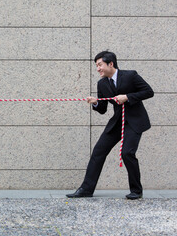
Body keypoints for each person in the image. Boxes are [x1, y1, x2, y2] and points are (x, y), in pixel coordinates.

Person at [66, 51, 154, 200]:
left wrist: (127, 97)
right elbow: (102, 109)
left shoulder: (130, 76)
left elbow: (148, 92)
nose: (98, 68)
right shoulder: (102, 83)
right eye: (97, 66)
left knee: (127, 153)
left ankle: (136, 190)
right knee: (98, 151)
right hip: (117, 122)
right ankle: (86, 189)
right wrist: (95, 103)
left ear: (110, 64)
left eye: (100, 65)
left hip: (134, 122)